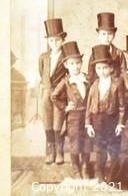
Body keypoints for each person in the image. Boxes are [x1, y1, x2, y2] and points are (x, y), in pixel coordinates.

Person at [51, 41, 91, 178]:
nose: (76, 66)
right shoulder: (65, 81)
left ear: (81, 63)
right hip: (73, 117)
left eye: (78, 63)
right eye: (72, 64)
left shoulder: (87, 78)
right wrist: (65, 107)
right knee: (74, 141)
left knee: (86, 141)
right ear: (66, 65)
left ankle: (85, 166)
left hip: (87, 116)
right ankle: (76, 168)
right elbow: (54, 96)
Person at [85, 44, 125, 182]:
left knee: (114, 148)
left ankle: (112, 177)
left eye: (104, 68)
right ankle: (101, 177)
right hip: (97, 120)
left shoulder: (117, 83)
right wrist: (88, 124)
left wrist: (120, 124)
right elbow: (88, 106)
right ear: (95, 69)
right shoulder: (94, 85)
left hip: (112, 120)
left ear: (111, 68)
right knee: (99, 149)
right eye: (98, 68)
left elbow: (122, 106)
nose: (102, 71)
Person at [38, 18, 68, 165]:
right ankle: (51, 151)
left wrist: (58, 89)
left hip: (60, 95)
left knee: (58, 125)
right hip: (46, 95)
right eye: (51, 41)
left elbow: (68, 77)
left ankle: (60, 151)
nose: (54, 44)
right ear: (48, 42)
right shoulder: (43, 57)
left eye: (57, 40)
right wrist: (46, 89)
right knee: (48, 124)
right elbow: (42, 75)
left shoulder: (66, 57)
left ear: (62, 40)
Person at [88, 12, 126, 84]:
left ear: (114, 35)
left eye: (109, 34)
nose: (106, 37)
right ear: (98, 35)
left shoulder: (119, 53)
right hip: (99, 85)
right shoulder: (94, 53)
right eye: (103, 34)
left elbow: (123, 73)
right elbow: (91, 73)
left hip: (116, 86)